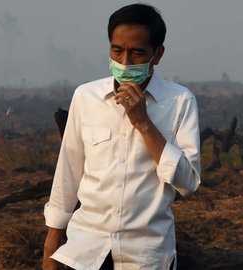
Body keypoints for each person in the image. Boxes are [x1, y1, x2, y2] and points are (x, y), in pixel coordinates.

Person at [42, 4, 201, 270]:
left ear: (157, 54)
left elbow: (188, 183)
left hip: (146, 256)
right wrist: (51, 246)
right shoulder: (86, 97)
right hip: (84, 252)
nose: (125, 62)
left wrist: (144, 123)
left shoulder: (180, 101)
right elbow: (67, 174)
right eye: (117, 50)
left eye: (137, 53)